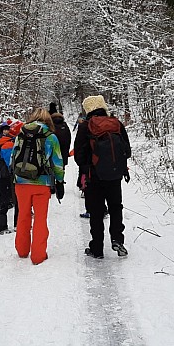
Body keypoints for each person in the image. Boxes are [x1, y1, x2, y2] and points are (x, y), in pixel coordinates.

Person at [74, 95, 131, 259]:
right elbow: (126, 150)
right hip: (114, 175)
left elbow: (79, 155)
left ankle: (97, 248)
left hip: (93, 176)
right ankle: (118, 239)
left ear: (87, 109)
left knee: (96, 211)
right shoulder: (116, 123)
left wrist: (86, 168)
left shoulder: (85, 127)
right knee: (115, 207)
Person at [11, 108, 65, 265]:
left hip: (20, 182)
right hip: (42, 184)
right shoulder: (51, 137)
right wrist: (60, 181)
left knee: (23, 215)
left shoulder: (20, 134)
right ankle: (38, 255)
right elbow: (57, 163)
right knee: (40, 219)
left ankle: (22, 250)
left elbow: (13, 158)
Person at [0, 119, 23, 234]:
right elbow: (10, 163)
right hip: (9, 175)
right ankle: (13, 225)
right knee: (14, 200)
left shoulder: (3, 141)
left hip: (5, 175)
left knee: (5, 199)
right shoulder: (9, 143)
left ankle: (3, 226)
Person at [48, 102, 72, 168]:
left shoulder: (49, 126)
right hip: (62, 156)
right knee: (60, 174)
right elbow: (68, 140)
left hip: (50, 158)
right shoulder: (64, 125)